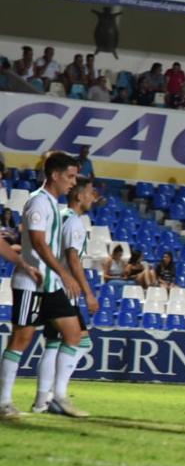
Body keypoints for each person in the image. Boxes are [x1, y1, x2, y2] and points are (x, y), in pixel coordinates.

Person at [0, 152, 82, 420]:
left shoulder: (52, 204)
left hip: (49, 283)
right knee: (21, 338)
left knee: (73, 333)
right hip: (32, 282)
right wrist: (64, 273)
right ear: (55, 175)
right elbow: (37, 242)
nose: (73, 183)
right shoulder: (39, 202)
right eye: (70, 177)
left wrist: (60, 276)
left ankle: (57, 397)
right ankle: (4, 401)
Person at [33, 175, 99, 416]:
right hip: (64, 290)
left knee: (53, 343)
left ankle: (43, 399)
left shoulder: (60, 217)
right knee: (80, 341)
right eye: (91, 192)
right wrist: (89, 294)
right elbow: (73, 260)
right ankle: (58, 395)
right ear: (79, 195)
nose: (94, 197)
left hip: (51, 286)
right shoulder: (75, 224)